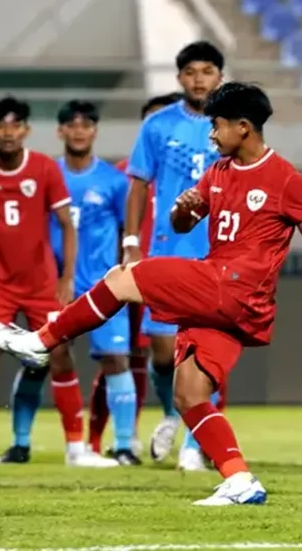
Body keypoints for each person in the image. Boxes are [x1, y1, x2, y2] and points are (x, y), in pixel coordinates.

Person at [0, 82, 302, 505]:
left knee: (124, 277)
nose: (212, 135)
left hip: (233, 287)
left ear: (244, 127)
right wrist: (181, 211)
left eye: (217, 126)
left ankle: (42, 341)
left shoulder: (286, 179)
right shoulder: (218, 172)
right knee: (189, 395)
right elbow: (184, 223)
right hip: (224, 298)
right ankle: (240, 481)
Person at [0, 97, 115, 470]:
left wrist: (65, 279)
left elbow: (66, 223)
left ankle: (76, 449)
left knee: (60, 356)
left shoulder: (45, 168)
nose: (9, 132)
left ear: (26, 130)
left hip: (41, 281)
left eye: (16, 125)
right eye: (2, 125)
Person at [5, 100, 138, 465]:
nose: (79, 131)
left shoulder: (114, 181)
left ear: (95, 131)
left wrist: (127, 270)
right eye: (71, 125)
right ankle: (20, 443)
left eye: (86, 125)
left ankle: (124, 446)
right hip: (53, 286)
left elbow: (129, 230)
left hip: (102, 287)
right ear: (60, 131)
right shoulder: (47, 174)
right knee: (39, 360)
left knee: (115, 360)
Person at [124, 42, 224, 468]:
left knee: (206, 352)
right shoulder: (157, 126)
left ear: (219, 75)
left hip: (218, 253)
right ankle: (171, 412)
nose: (199, 79)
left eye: (207, 71)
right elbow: (139, 184)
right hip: (169, 250)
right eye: (191, 72)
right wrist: (131, 241)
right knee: (163, 353)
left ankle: (194, 446)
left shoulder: (235, 126)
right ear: (179, 77)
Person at [88, 92, 183, 456]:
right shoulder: (124, 175)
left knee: (180, 355)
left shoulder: (194, 171)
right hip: (127, 276)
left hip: (171, 273)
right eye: (152, 122)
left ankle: (180, 424)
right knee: (117, 358)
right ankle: (107, 441)